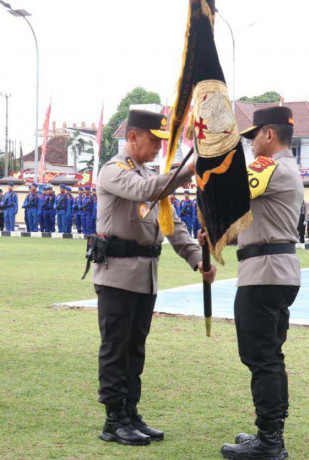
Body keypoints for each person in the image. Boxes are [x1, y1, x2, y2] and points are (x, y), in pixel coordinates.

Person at [92, 109, 215, 447]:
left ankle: (130, 412)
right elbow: (146, 190)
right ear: (132, 137)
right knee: (116, 348)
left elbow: (171, 222)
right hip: (116, 275)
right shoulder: (113, 171)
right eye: (154, 139)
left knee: (135, 349)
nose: (160, 146)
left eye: (163, 140)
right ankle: (113, 418)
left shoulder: (149, 174)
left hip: (145, 277)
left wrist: (195, 258)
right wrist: (185, 172)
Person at [221, 106, 301, 460]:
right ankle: (269, 432)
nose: (252, 145)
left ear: (269, 134)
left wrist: (210, 159)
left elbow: (229, 192)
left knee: (260, 357)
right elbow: (245, 213)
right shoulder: (285, 168)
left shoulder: (269, 166)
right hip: (275, 269)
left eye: (254, 137)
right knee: (270, 355)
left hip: (264, 272)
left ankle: (270, 441)